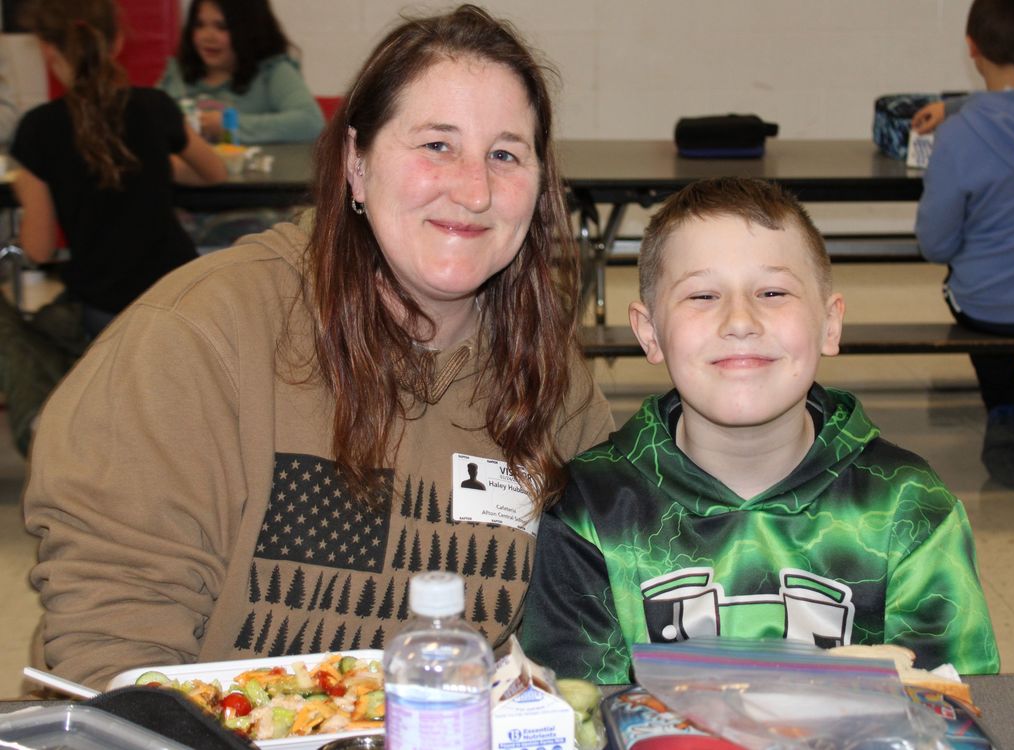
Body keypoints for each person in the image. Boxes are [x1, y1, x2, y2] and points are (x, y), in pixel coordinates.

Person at [23, 4, 613, 688]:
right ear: (355, 167)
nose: (474, 189)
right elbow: (113, 645)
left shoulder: (547, 379)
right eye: (436, 145)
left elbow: (604, 597)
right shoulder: (196, 339)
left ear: (539, 190)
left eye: (505, 154)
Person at [520, 177, 1000, 685]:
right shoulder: (588, 512)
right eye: (703, 295)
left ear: (830, 324)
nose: (740, 320)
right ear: (649, 333)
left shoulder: (907, 504)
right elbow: (577, 719)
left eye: (772, 292)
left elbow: (952, 710)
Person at [1, 0, 226, 456]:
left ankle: (42, 418)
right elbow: (214, 172)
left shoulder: (40, 129)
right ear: (118, 42)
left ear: (49, 52)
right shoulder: (155, 107)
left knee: (12, 321)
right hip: (178, 298)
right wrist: (156, 166)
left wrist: (28, 193)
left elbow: (40, 250)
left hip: (102, 308)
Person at [913, 0, 1014, 489]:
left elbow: (935, 244)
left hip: (990, 308)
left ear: (973, 48)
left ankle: (1006, 407)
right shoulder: (960, 123)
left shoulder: (958, 139)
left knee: (975, 289)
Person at [157, 0, 324, 144]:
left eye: (221, 27)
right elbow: (146, 121)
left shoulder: (273, 71)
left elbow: (311, 122)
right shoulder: (177, 71)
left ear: (249, 30)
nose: (207, 36)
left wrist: (230, 125)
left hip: (257, 180)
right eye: (199, 25)